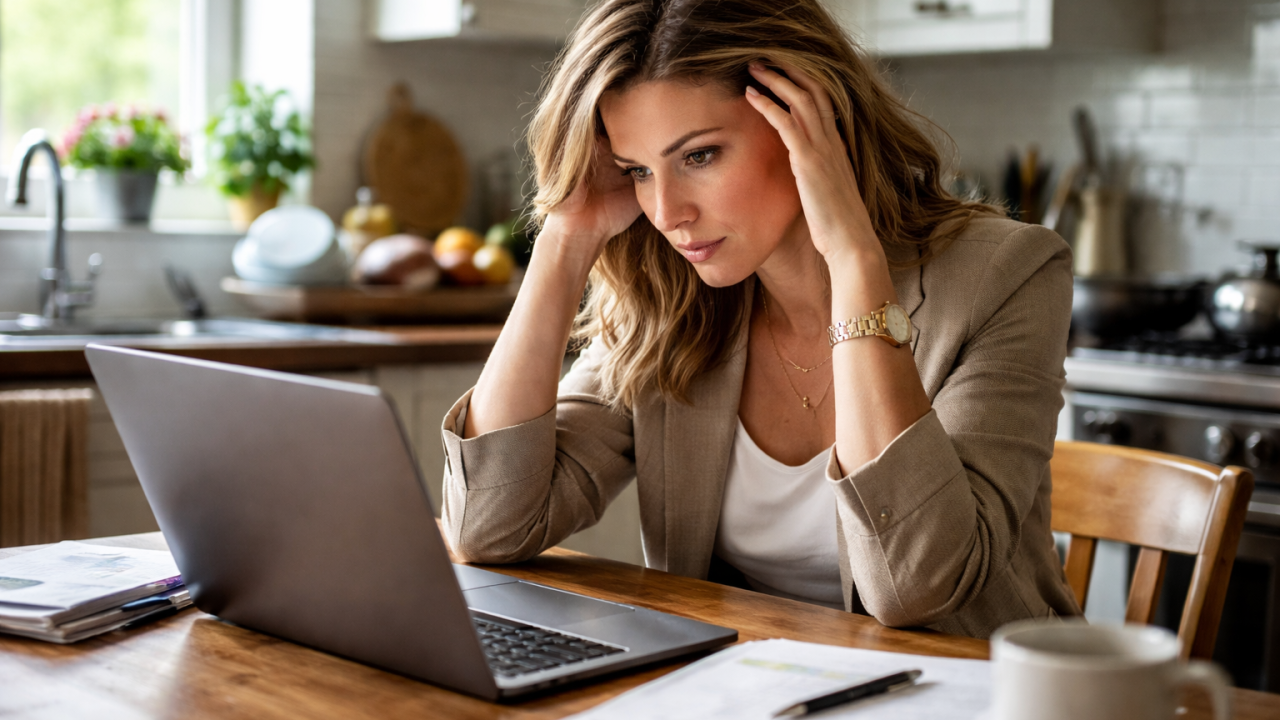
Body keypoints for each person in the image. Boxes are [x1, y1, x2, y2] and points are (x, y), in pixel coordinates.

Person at [439, 0, 1081, 639]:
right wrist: (565, 237)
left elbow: (915, 586)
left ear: (810, 117)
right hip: (748, 688)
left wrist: (855, 262)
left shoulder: (1005, 276)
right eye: (638, 171)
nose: (666, 213)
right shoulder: (669, 304)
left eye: (699, 157)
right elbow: (486, 528)